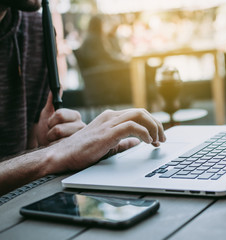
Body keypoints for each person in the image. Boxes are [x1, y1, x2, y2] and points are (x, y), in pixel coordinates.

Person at [0, 0, 166, 195]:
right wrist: (51, 155)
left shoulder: (36, 30)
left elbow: (24, 156)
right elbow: (43, 158)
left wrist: (50, 144)